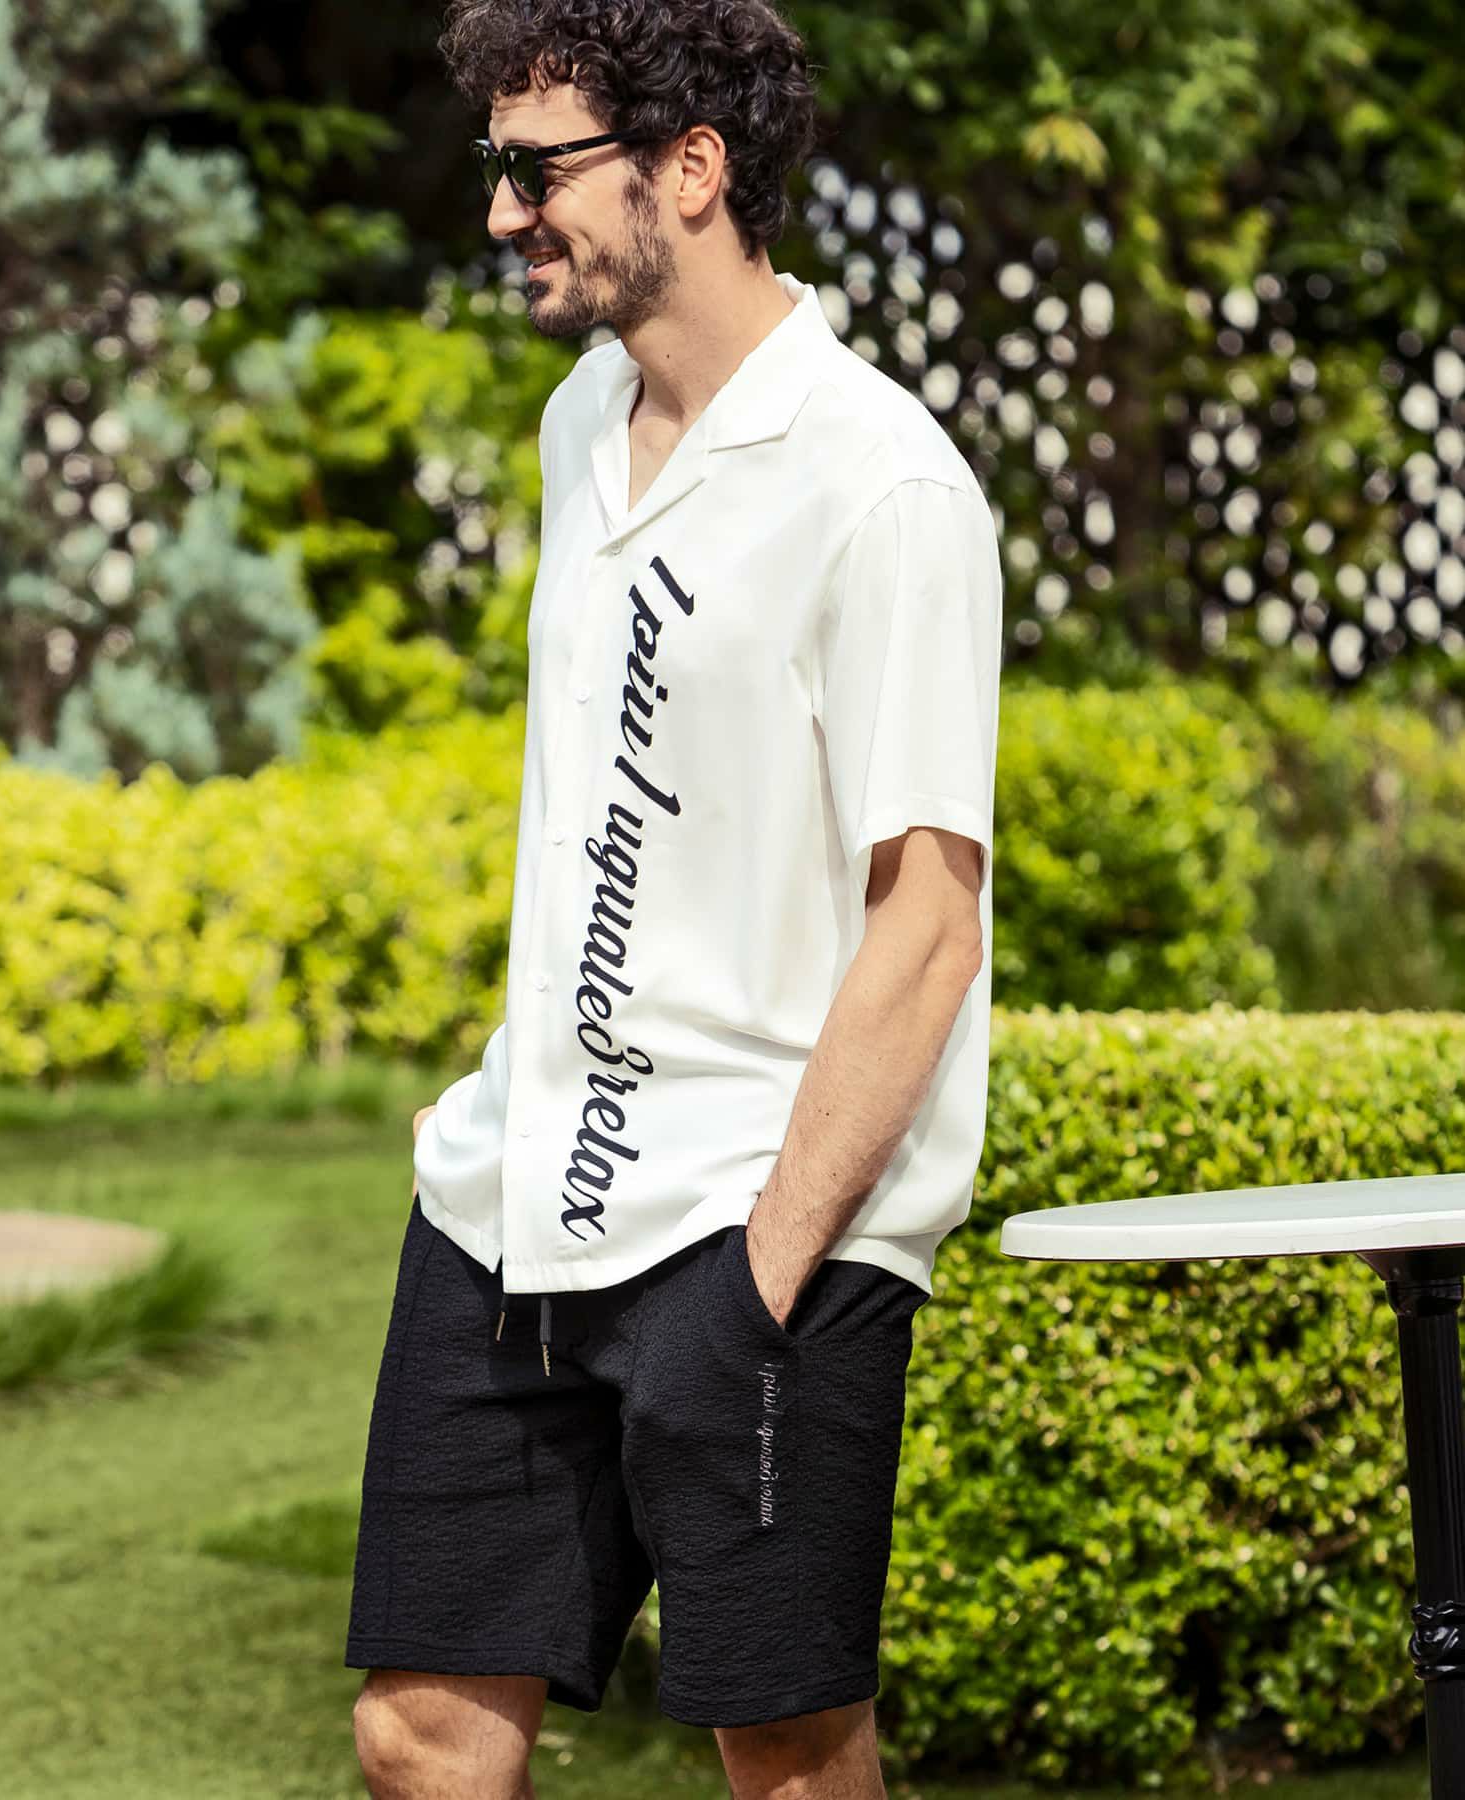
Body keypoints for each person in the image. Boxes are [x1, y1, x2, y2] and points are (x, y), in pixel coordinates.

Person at [346, 2, 1003, 1794]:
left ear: (691, 168)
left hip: (754, 1218)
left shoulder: (884, 486)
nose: (502, 210)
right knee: (419, 1735)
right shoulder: (581, 422)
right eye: (497, 167)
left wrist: (764, 1277)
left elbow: (929, 926)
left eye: (537, 166)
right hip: (512, 1205)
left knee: (786, 1753)